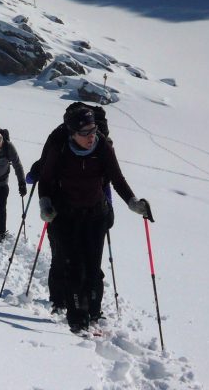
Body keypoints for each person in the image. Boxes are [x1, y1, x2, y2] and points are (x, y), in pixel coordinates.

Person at [38, 106, 153, 333]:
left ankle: (93, 311)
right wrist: (45, 205)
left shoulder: (102, 147)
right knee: (73, 266)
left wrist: (132, 202)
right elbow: (46, 180)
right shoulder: (59, 148)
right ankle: (77, 318)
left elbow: (117, 178)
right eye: (85, 132)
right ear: (72, 133)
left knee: (92, 267)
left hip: (95, 214)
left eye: (94, 130)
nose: (91, 136)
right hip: (65, 216)